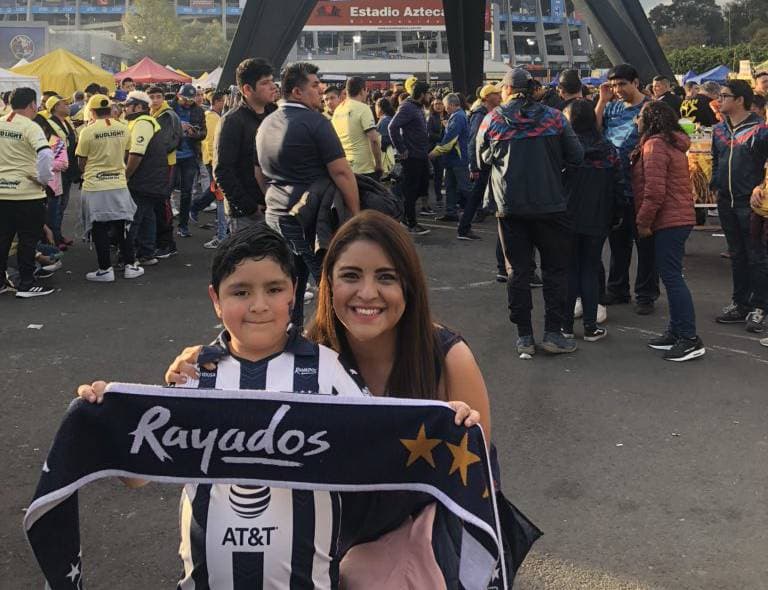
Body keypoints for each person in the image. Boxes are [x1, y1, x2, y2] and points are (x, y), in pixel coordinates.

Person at [78, 223, 478, 589]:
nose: (258, 306)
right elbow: (138, 475)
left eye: (273, 289)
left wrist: (452, 425)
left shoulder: (326, 370)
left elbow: (382, 441)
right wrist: (108, 417)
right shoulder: (196, 376)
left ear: (293, 291)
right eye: (240, 292)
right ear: (216, 300)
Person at [477, 67, 584, 355]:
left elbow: (480, 159)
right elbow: (577, 156)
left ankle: (524, 336)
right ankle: (553, 333)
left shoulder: (492, 119)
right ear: (532, 88)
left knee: (518, 273)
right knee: (554, 271)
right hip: (551, 204)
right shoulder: (555, 117)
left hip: (509, 207)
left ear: (507, 90)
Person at [256, 61, 360, 327]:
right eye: (314, 86)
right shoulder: (316, 122)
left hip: (276, 212)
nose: (320, 90)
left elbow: (259, 173)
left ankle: (293, 336)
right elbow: (342, 173)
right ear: (297, 92)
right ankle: (338, 342)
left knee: (293, 281)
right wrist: (357, 216)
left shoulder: (266, 123)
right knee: (330, 282)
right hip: (308, 217)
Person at [632, 101, 706, 361]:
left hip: (669, 221)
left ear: (650, 119)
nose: (636, 120)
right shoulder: (671, 143)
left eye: (640, 116)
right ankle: (676, 332)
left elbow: (654, 192)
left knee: (672, 278)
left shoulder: (655, 146)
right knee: (670, 276)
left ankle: (688, 338)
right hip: (678, 218)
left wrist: (642, 222)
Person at [597, 63, 659, 315]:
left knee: (645, 243)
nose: (617, 89)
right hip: (615, 187)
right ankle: (618, 289)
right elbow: (593, 128)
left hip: (641, 187)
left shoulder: (651, 109)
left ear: (635, 82)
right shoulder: (611, 107)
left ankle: (646, 294)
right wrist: (601, 101)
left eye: (622, 84)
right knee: (618, 243)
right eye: (613, 85)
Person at [560, 100, 623, 343]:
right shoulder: (607, 148)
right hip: (598, 217)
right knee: (590, 268)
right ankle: (590, 327)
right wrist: (616, 214)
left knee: (569, 270)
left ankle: (565, 326)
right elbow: (618, 184)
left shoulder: (565, 146)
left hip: (567, 215)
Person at [711, 79, 768, 333]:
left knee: (757, 256)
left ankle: (760, 306)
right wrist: (715, 185)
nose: (719, 100)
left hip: (751, 203)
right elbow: (716, 160)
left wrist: (762, 186)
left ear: (740, 100)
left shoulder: (760, 130)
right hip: (726, 201)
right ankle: (740, 302)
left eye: (724, 96)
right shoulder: (719, 131)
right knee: (737, 254)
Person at [75, 94, 143, 282]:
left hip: (95, 185)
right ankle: (130, 265)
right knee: (122, 225)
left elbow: (81, 160)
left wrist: (86, 171)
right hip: (118, 183)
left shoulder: (87, 132)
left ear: (92, 110)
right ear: (110, 109)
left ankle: (105, 269)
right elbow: (127, 153)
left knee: (98, 227)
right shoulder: (123, 128)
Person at [0, 87, 54, 298]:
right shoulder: (31, 127)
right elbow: (46, 154)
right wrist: (42, 180)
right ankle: (27, 284)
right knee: (27, 240)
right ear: (32, 104)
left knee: (2, 239)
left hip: (2, 192)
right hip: (27, 194)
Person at [214, 57, 278, 233]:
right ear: (247, 89)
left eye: (272, 81)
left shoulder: (275, 113)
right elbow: (222, 171)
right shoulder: (232, 121)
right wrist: (249, 207)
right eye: (265, 83)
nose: (273, 86)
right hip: (247, 216)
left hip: (276, 207)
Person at [123, 90, 168, 266]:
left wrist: (126, 176)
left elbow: (136, 153)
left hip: (144, 178)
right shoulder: (143, 121)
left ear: (138, 106)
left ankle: (129, 257)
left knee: (134, 216)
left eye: (127, 105)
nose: (124, 109)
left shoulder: (142, 122)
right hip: (151, 178)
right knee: (147, 215)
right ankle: (147, 253)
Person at [389, 80, 432, 235]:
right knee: (411, 191)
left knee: (420, 188)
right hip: (412, 157)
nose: (430, 96)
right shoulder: (407, 107)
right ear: (421, 94)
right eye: (428, 93)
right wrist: (402, 149)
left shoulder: (417, 107)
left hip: (420, 155)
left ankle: (410, 220)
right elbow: (392, 127)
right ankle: (409, 222)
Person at [430, 93, 474, 238]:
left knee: (464, 188)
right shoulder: (457, 116)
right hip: (452, 159)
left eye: (445, 105)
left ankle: (470, 214)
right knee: (450, 186)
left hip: (458, 159)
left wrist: (435, 152)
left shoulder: (458, 117)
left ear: (450, 105)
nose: (444, 108)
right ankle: (451, 212)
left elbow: (450, 140)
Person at [190, 90, 227, 249]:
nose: (227, 102)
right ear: (218, 101)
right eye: (225, 100)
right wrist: (214, 161)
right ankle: (221, 234)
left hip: (214, 161)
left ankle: (196, 207)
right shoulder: (212, 118)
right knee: (218, 194)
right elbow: (212, 141)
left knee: (216, 192)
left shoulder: (216, 116)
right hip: (214, 161)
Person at [148, 85, 182, 258]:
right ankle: (162, 241)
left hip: (166, 164)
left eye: (157, 97)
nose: (155, 100)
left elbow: (168, 143)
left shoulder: (167, 115)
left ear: (163, 98)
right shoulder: (155, 114)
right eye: (152, 97)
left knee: (163, 202)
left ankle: (167, 243)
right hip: (158, 164)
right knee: (158, 203)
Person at [170, 83, 207, 238]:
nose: (188, 102)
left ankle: (183, 225)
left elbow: (204, 132)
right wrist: (179, 126)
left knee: (186, 192)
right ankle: (164, 226)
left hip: (190, 155)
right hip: (171, 155)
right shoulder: (170, 108)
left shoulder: (198, 110)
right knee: (166, 191)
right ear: (178, 95)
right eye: (185, 99)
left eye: (191, 99)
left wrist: (194, 133)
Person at [332, 76, 383, 180]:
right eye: (366, 90)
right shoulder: (363, 108)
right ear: (362, 90)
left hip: (345, 166)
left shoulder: (338, 110)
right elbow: (374, 140)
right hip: (364, 168)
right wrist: (379, 164)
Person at [44, 94, 78, 248]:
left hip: (67, 169)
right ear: (55, 107)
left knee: (62, 205)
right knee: (55, 206)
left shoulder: (66, 122)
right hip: (57, 170)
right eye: (64, 104)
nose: (68, 106)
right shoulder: (49, 124)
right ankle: (54, 238)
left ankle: (58, 234)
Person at [426, 97, 446, 212]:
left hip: (444, 149)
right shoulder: (431, 118)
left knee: (440, 174)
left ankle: (439, 197)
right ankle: (436, 198)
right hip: (433, 149)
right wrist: (442, 137)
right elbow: (429, 134)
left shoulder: (447, 117)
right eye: (436, 104)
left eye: (440, 103)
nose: (438, 106)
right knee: (435, 175)